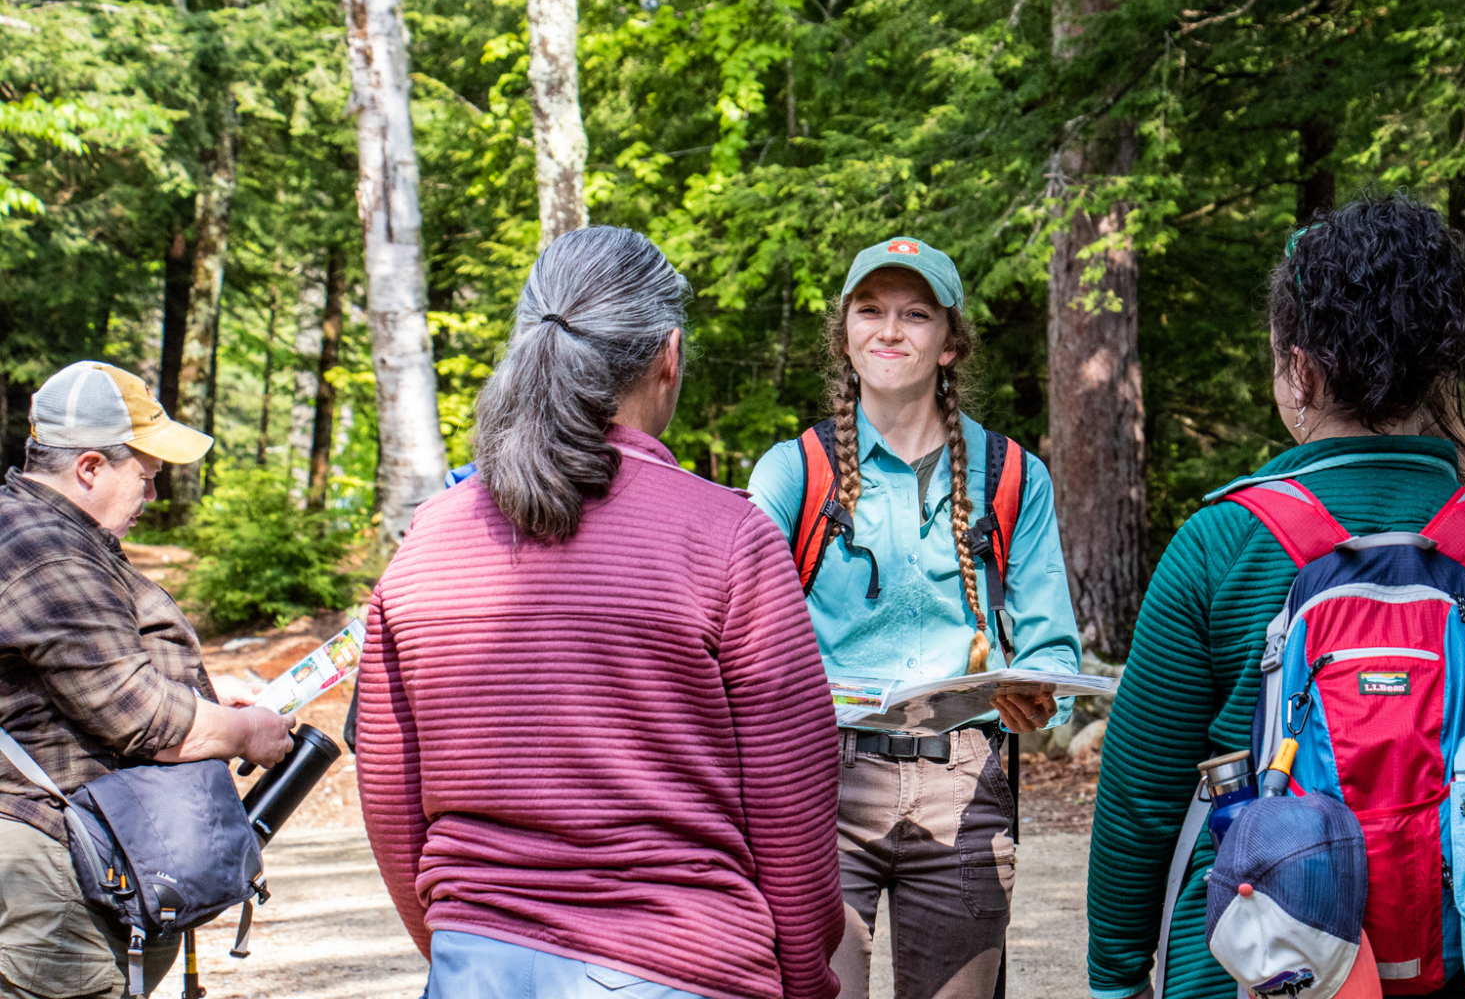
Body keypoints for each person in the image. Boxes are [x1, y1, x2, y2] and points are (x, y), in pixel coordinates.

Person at [1085, 197, 1465, 999]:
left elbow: (1141, 796)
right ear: (1439, 373)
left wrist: (1116, 977)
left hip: (1248, 965)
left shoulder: (1218, 547)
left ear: (1302, 371)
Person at [355, 227, 844, 999]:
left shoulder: (429, 540)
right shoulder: (728, 537)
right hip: (681, 961)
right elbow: (793, 810)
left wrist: (461, 935)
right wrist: (805, 983)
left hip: (475, 965)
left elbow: (390, 800)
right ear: (668, 354)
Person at [746, 235, 1083, 999]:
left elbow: (1051, 647)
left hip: (965, 786)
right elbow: (743, 637)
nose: (890, 330)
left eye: (916, 314)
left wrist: (1038, 694)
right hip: (817, 784)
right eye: (870, 310)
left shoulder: (1012, 475)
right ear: (845, 335)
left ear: (950, 343)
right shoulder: (793, 472)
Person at [0, 361, 294, 999]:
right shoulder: (47, 552)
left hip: (66, 864)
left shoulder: (39, 530)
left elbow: (86, 672)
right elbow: (140, 716)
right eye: (147, 475)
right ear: (90, 467)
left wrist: (204, 694)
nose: (154, 496)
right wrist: (245, 732)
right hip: (50, 878)